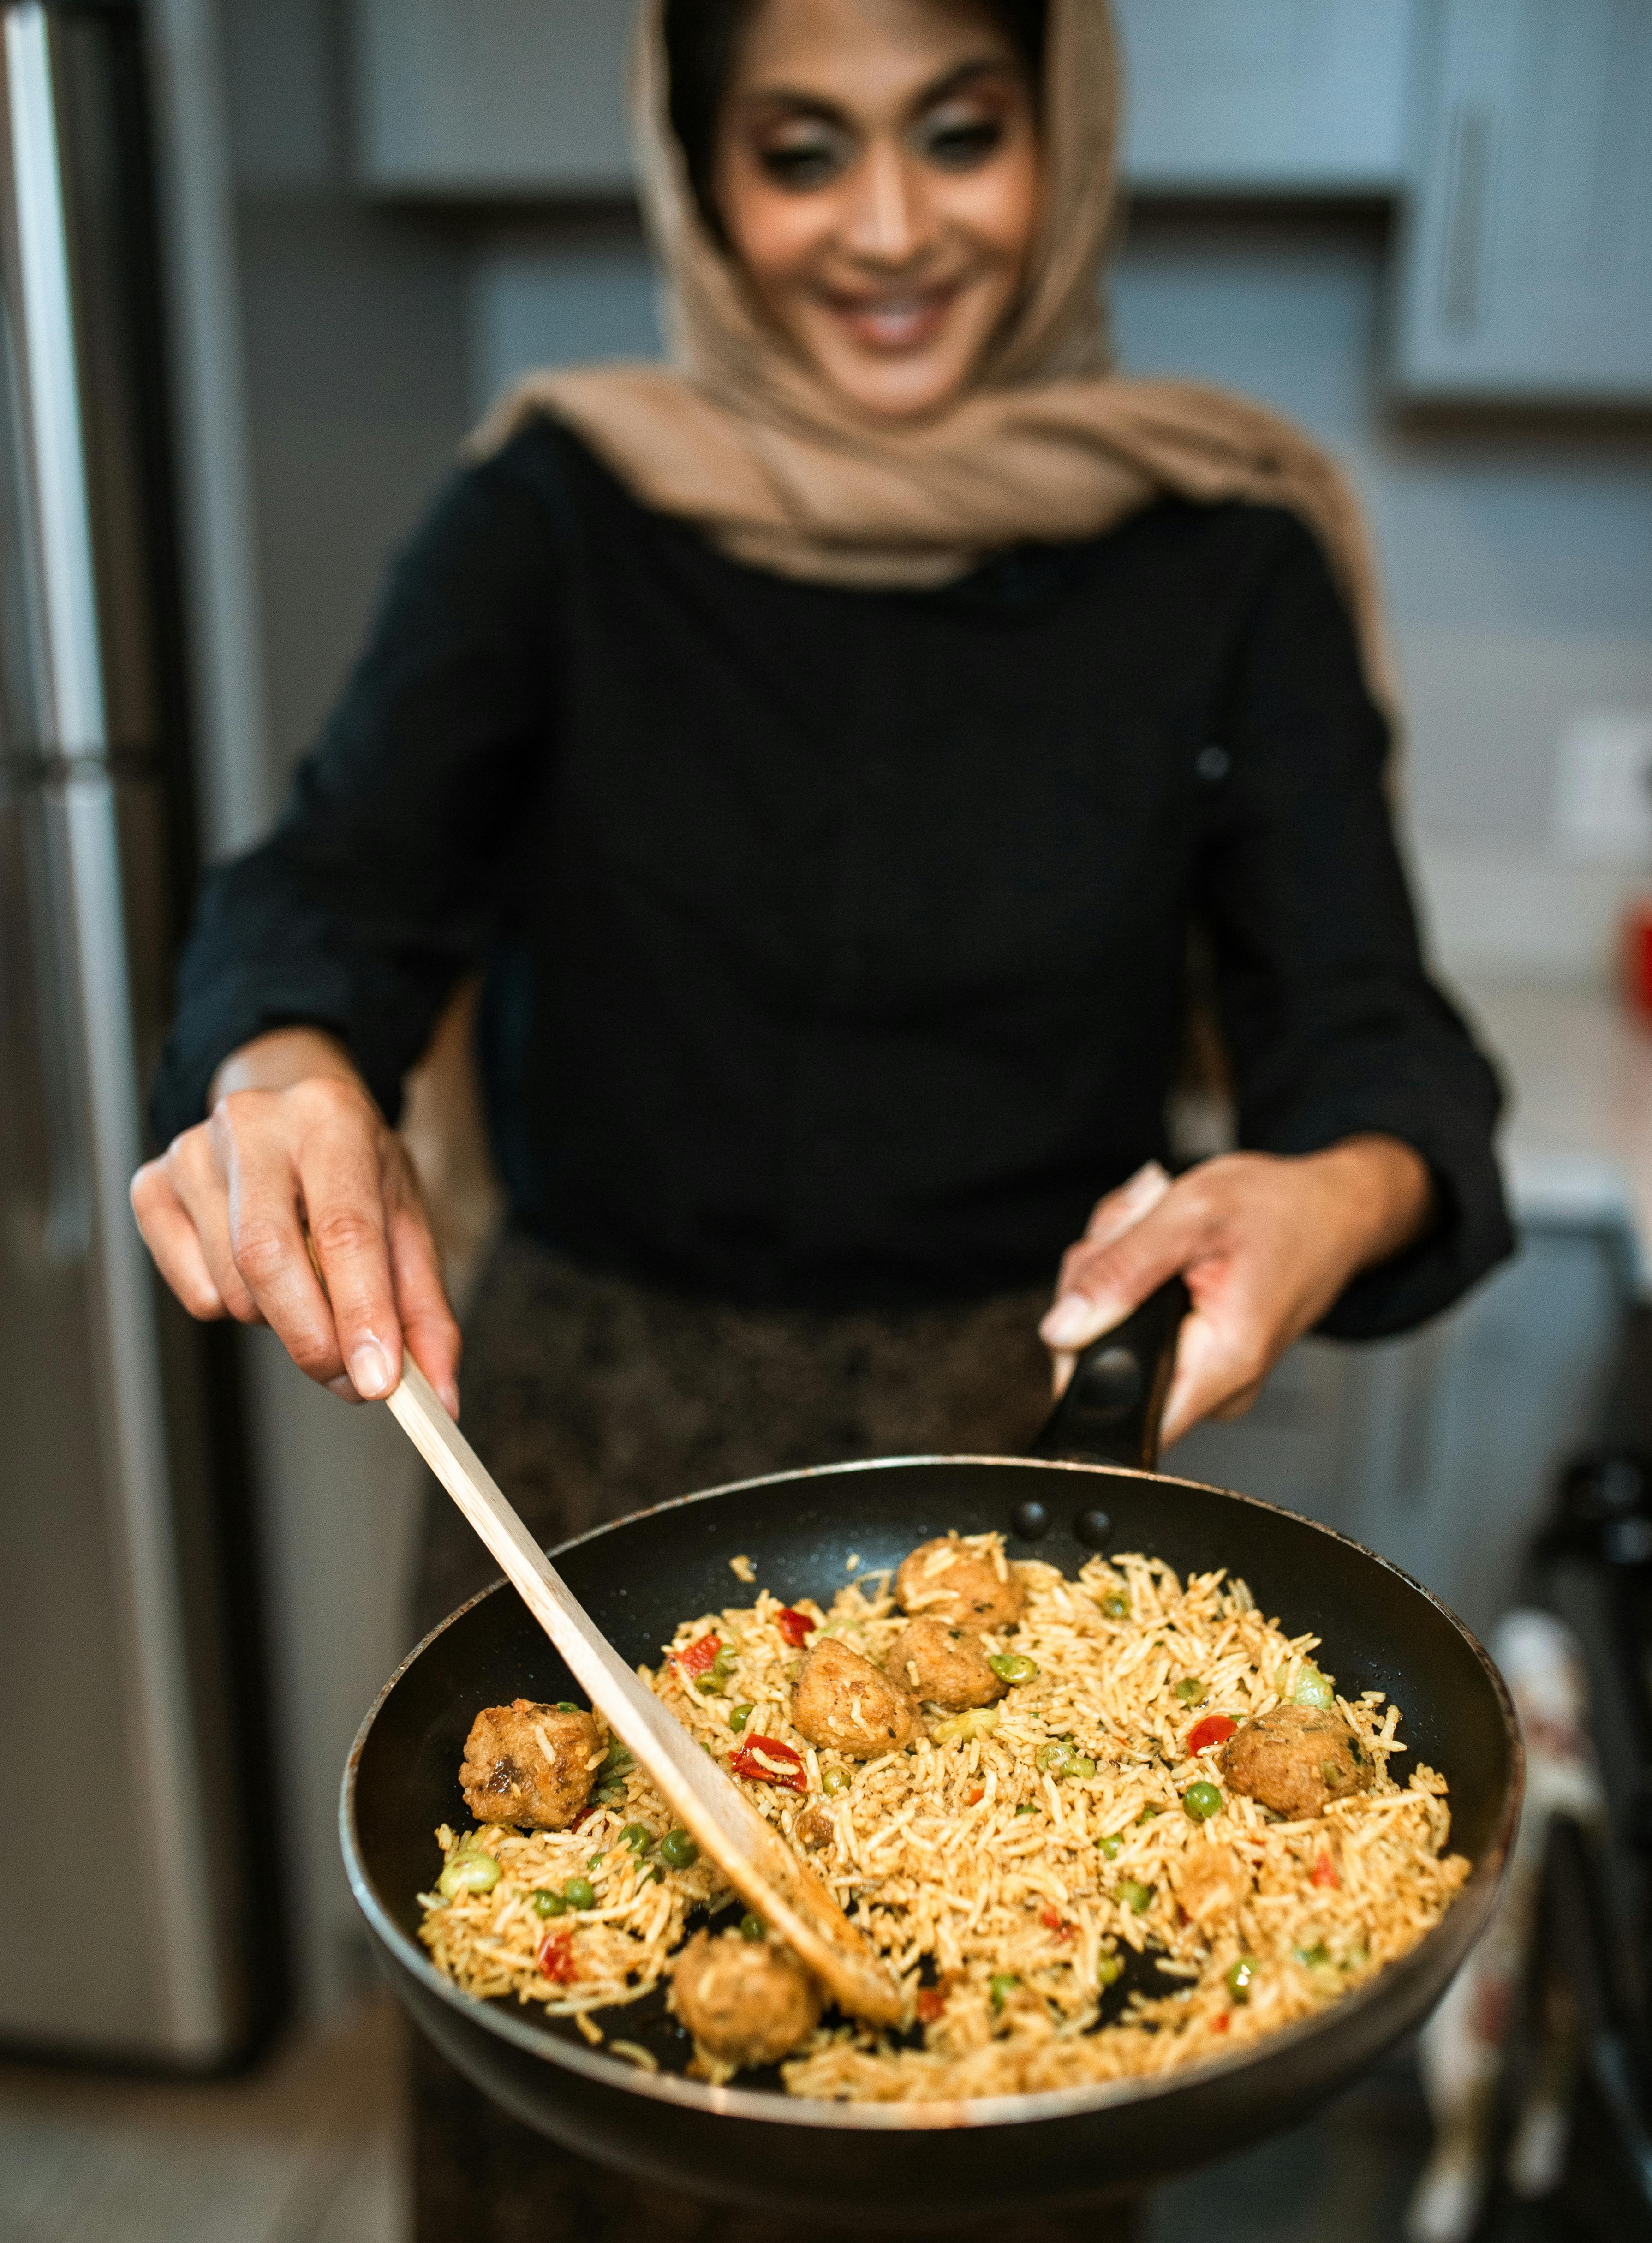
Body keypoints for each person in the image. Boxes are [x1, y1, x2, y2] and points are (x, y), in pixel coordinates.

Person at [136, 0, 1510, 1634]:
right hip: (596, 1439)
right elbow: (333, 892)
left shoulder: (1225, 562)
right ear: (703, 183)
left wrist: (1330, 1194)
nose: (889, 229)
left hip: (1038, 1429)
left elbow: (1365, 1030)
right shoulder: (556, 513)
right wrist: (283, 1070)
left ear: (1060, 139)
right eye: (801, 153)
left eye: (959, 133)